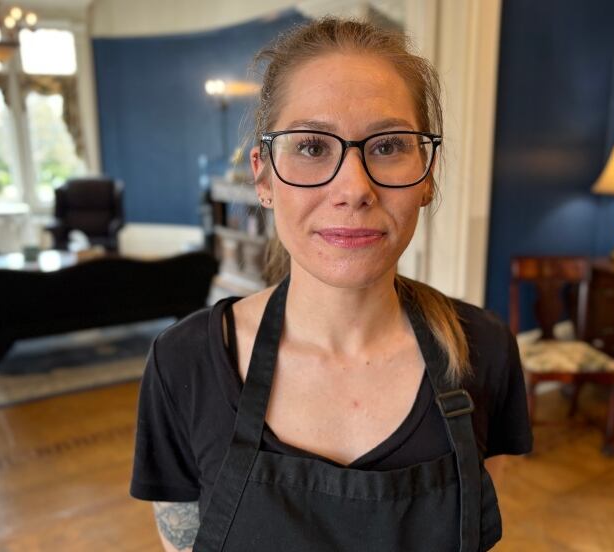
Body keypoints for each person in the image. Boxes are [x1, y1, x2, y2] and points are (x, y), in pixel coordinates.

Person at [130, 17, 532, 552]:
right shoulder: (184, 364)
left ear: (427, 174)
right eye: (313, 147)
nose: (354, 188)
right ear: (265, 177)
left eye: (388, 146)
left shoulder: (484, 350)